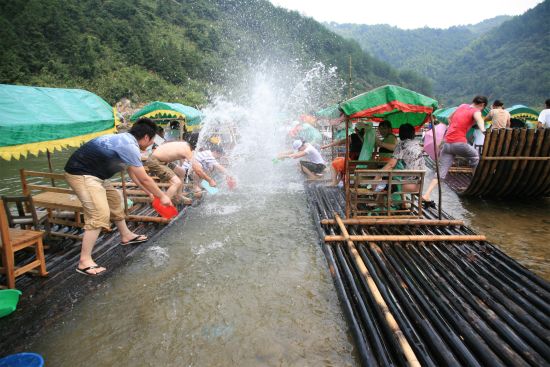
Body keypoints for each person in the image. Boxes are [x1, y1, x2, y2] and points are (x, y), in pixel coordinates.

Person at [64, 118, 172, 276]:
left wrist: (150, 193)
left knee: (115, 200)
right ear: (147, 137)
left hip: (97, 175)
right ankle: (84, 261)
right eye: (152, 141)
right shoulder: (129, 146)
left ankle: (126, 235)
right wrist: (162, 196)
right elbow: (145, 178)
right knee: (99, 214)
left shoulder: (125, 140)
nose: (151, 145)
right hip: (82, 174)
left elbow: (134, 175)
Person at [423, 96, 488, 202]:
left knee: (441, 173)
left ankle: (427, 194)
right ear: (482, 105)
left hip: (447, 144)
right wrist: (483, 130)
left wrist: (453, 127)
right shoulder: (476, 111)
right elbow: (479, 120)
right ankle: (475, 183)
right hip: (459, 143)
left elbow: (449, 118)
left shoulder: (462, 106)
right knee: (475, 156)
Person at [144, 141, 213, 204]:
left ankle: (179, 196)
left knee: (182, 172)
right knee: (176, 182)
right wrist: (210, 180)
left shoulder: (184, 144)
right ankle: (163, 203)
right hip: (155, 161)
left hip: (162, 160)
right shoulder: (187, 150)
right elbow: (198, 170)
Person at [375, 123, 426, 194]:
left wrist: (378, 175)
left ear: (400, 134)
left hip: (406, 185)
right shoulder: (417, 145)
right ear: (413, 134)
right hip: (418, 185)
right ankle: (403, 203)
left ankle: (381, 201)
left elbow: (391, 164)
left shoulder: (401, 145)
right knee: (397, 166)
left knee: (384, 178)